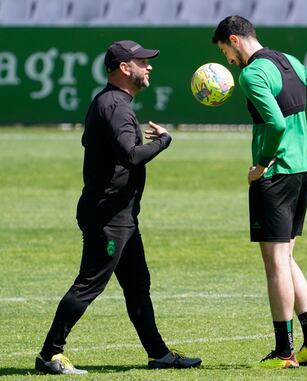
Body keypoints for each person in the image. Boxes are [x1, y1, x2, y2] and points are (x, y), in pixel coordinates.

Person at [35, 40, 202, 375]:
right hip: (108, 216)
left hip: (120, 215)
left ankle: (159, 354)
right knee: (89, 283)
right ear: (125, 68)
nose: (149, 66)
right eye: (143, 61)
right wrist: (163, 141)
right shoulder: (115, 106)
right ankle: (50, 355)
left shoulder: (113, 102)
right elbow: (131, 155)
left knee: (137, 283)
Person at [212, 16, 307, 369]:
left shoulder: (252, 75)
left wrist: (262, 163)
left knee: (275, 266)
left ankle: (284, 353)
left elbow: (276, 123)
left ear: (234, 40)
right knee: (287, 259)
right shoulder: (290, 61)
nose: (228, 60)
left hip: (276, 176)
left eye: (225, 51)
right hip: (302, 172)